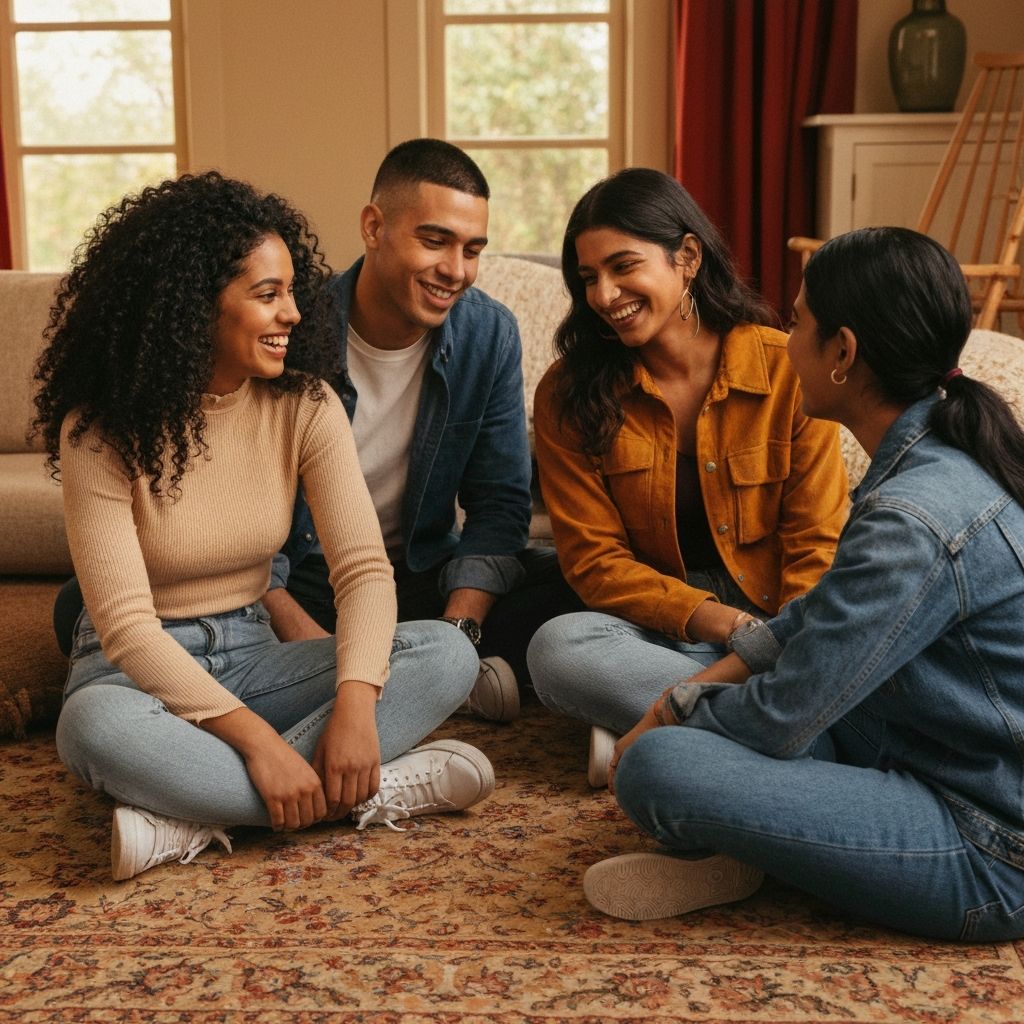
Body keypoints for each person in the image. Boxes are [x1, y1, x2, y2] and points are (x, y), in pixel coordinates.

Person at [35, 172, 493, 882]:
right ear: (195, 305)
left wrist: (355, 706)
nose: (294, 314)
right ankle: (377, 788)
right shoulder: (99, 431)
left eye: (291, 292)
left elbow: (363, 571)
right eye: (267, 294)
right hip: (134, 676)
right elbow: (125, 629)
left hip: (256, 655)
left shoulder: (306, 405)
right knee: (91, 728)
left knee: (445, 653)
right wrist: (259, 743)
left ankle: (185, 817)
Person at [585, 227, 1024, 942]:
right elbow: (811, 621)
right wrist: (672, 701)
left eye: (795, 324)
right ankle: (762, 843)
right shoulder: (934, 458)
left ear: (842, 353)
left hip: (992, 849)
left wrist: (677, 722)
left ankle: (752, 849)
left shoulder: (913, 517)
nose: (784, 344)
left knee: (657, 770)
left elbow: (784, 713)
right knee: (703, 724)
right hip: (931, 742)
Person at [526, 168, 848, 786]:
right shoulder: (567, 395)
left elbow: (817, 543)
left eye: (623, 266)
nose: (604, 295)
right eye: (588, 277)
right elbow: (595, 562)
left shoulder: (784, 369)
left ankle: (665, 720)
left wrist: (783, 641)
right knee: (557, 649)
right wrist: (725, 626)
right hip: (662, 629)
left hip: (781, 624)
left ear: (688, 257)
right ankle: (764, 723)